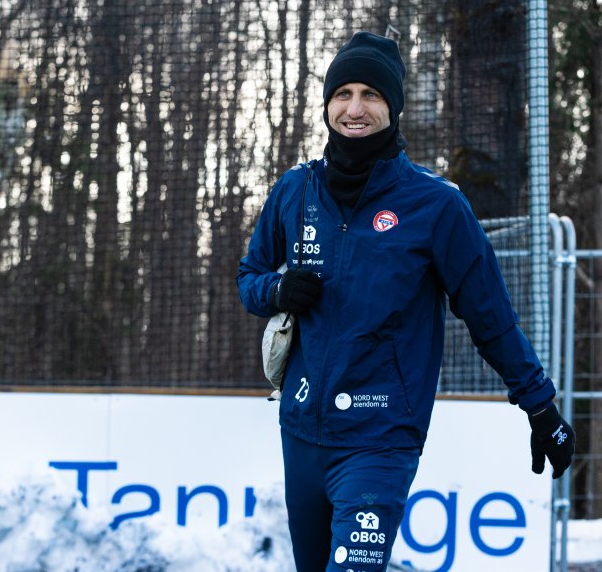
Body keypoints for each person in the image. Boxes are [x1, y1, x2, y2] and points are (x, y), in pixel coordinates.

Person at [237, 30, 575, 572]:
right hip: (301, 430)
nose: (355, 109)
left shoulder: (436, 205)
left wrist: (539, 405)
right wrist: (277, 290)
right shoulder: (295, 190)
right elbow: (249, 277)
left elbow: (490, 317)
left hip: (381, 437)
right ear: (327, 104)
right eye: (343, 94)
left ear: (392, 108)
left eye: (371, 95)